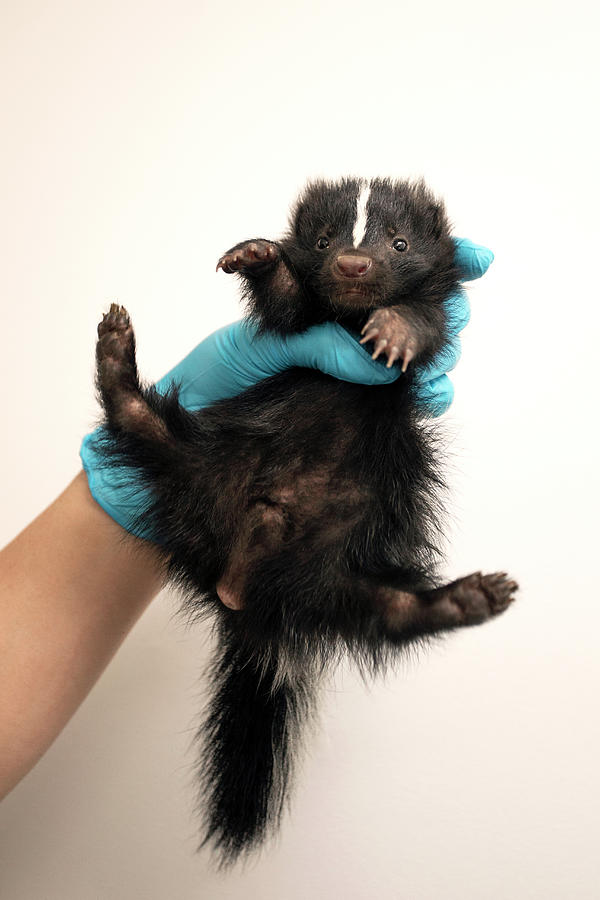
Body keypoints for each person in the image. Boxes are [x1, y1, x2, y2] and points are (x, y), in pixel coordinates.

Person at [0, 238, 493, 800]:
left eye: (395, 243)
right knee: (157, 435)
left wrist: (413, 322)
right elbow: (287, 306)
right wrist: (271, 269)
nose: (355, 257)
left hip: (317, 522)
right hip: (237, 481)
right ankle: (124, 397)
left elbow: (425, 320)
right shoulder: (307, 287)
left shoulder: (422, 297)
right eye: (334, 240)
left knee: (361, 586)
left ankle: (421, 607)